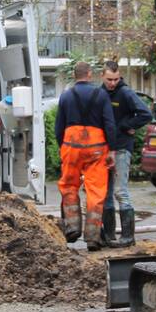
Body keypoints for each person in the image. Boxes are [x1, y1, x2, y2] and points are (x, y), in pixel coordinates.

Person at [54, 62, 116, 250]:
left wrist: (62, 148)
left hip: (71, 145)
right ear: (89, 74)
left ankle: (72, 227)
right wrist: (112, 150)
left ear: (75, 75)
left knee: (69, 184)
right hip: (97, 146)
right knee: (96, 190)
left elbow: (59, 127)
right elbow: (109, 124)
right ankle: (93, 237)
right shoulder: (101, 94)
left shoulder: (66, 96)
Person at [100, 61, 153, 247]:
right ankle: (108, 235)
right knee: (105, 194)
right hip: (104, 149)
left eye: (116, 79)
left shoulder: (126, 93)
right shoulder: (100, 94)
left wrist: (126, 126)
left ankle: (128, 236)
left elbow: (146, 114)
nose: (113, 83)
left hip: (121, 147)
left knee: (120, 191)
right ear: (102, 76)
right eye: (109, 80)